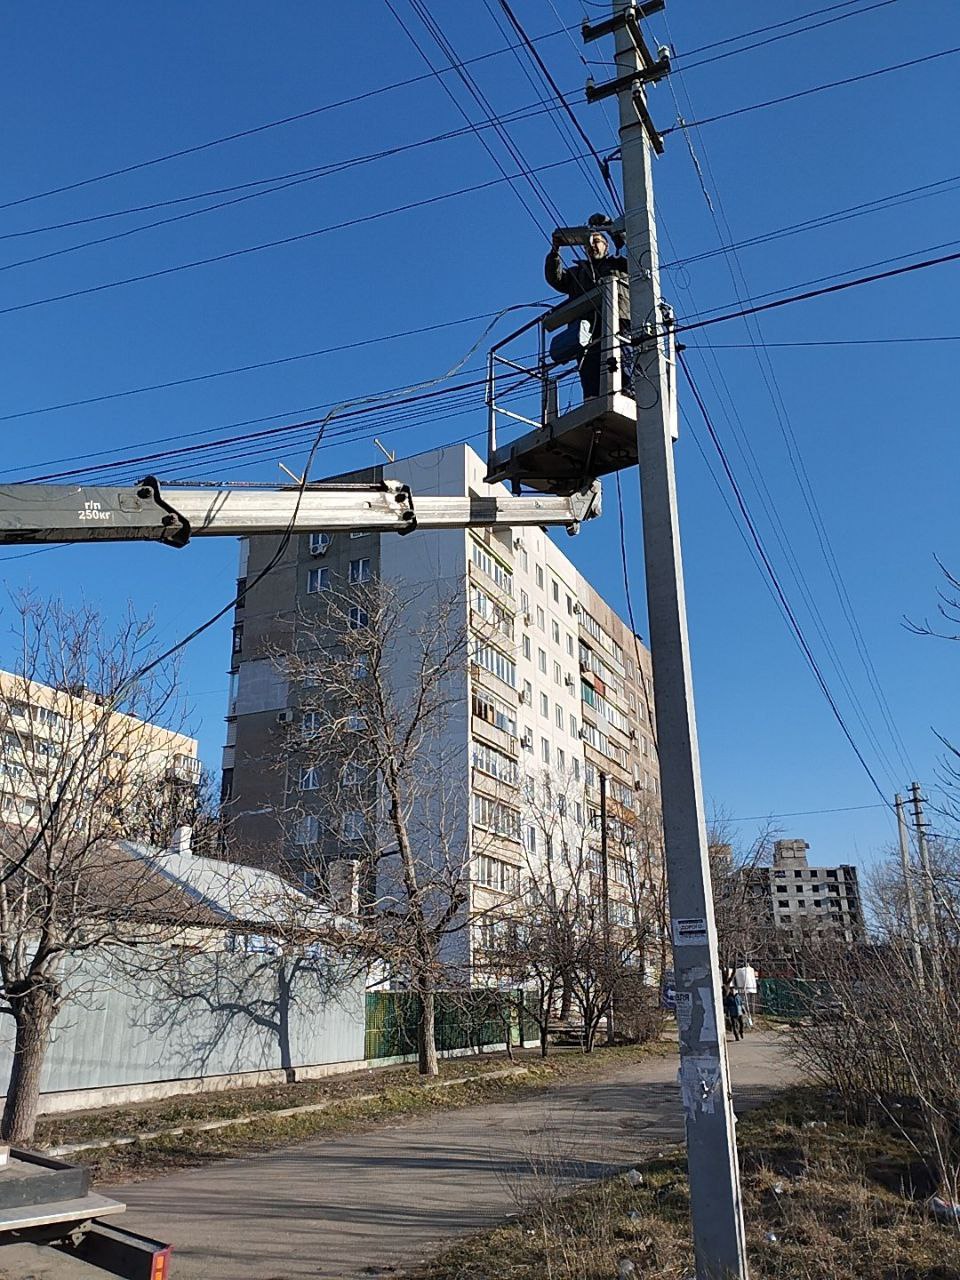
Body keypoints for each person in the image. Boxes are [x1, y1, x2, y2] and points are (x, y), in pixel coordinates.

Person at [544, 229, 634, 400]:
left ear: (606, 246)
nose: (592, 246)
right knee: (589, 362)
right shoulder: (578, 272)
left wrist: (612, 229)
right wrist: (555, 251)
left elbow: (634, 255)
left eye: (597, 241)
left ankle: (627, 390)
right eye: (588, 243)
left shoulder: (619, 264)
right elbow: (555, 278)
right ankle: (592, 396)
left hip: (618, 320)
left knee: (622, 355)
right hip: (588, 326)